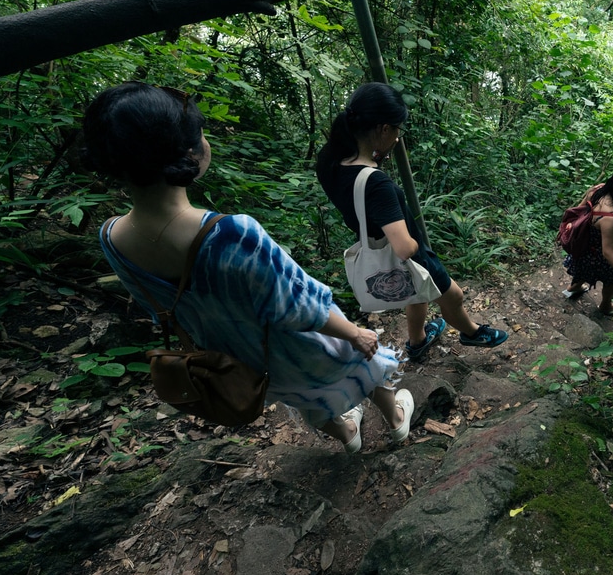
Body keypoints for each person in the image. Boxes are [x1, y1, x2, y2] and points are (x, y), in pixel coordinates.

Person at [83, 81, 412, 454]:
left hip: (241, 361)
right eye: (201, 133)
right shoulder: (232, 234)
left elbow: (160, 307)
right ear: (187, 153)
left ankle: (346, 433)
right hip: (298, 346)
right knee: (365, 362)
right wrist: (354, 333)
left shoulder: (111, 237)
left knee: (303, 394)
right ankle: (397, 421)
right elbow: (301, 306)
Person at [315, 82, 508, 361]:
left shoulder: (329, 160)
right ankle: (472, 333)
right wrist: (416, 241)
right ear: (383, 129)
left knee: (416, 289)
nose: (397, 138)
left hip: (371, 240)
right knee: (452, 295)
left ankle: (418, 341)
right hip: (402, 248)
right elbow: (404, 248)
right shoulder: (376, 183)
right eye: (396, 130)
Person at [562, 165, 613, 318]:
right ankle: (606, 305)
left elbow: (579, 210)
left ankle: (575, 287)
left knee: (581, 266)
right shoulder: (610, 218)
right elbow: (608, 253)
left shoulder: (597, 189)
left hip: (583, 243)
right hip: (597, 251)